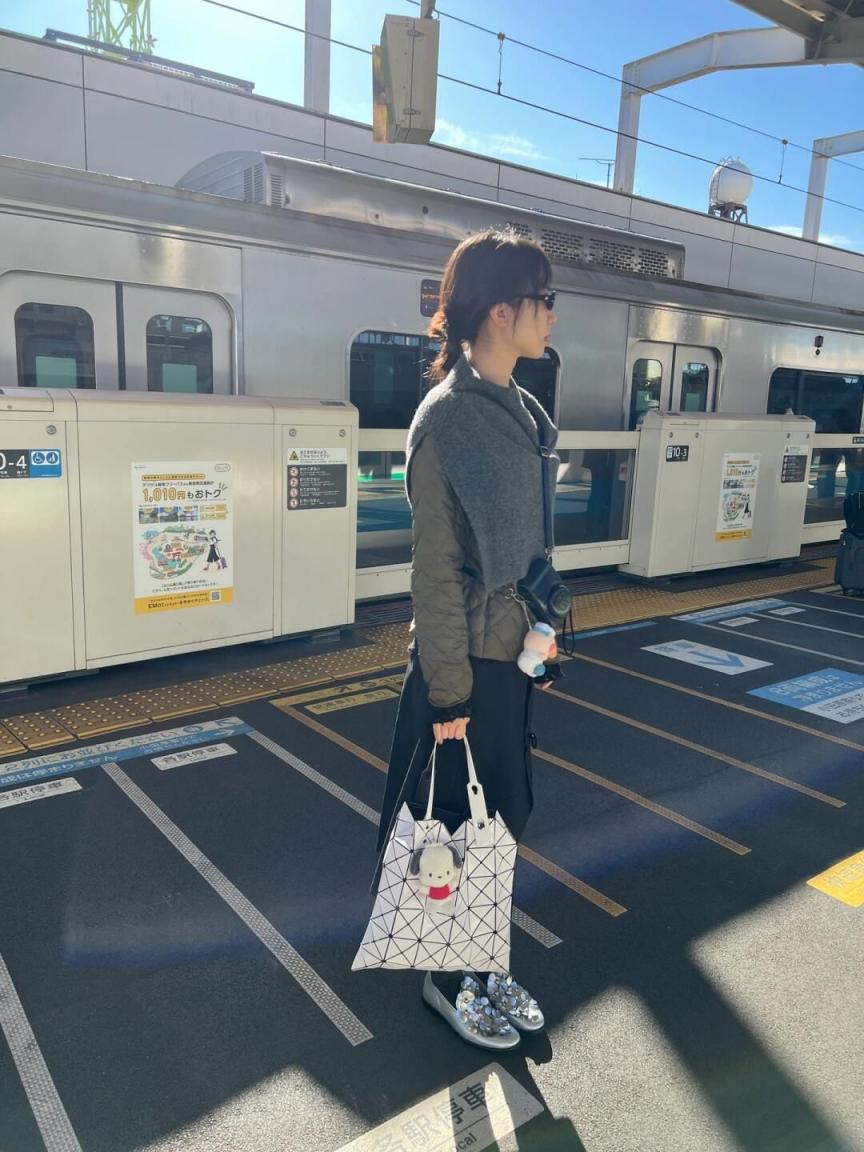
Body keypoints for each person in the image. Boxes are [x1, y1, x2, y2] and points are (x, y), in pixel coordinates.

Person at [375, 229, 560, 1050]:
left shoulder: (518, 412)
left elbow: (530, 552)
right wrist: (447, 693)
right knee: (452, 825)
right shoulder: (448, 420)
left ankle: (483, 961)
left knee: (506, 813)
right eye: (543, 299)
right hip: (465, 670)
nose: (552, 315)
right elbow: (435, 575)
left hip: (511, 655)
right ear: (499, 312)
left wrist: (546, 627)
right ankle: (444, 980)